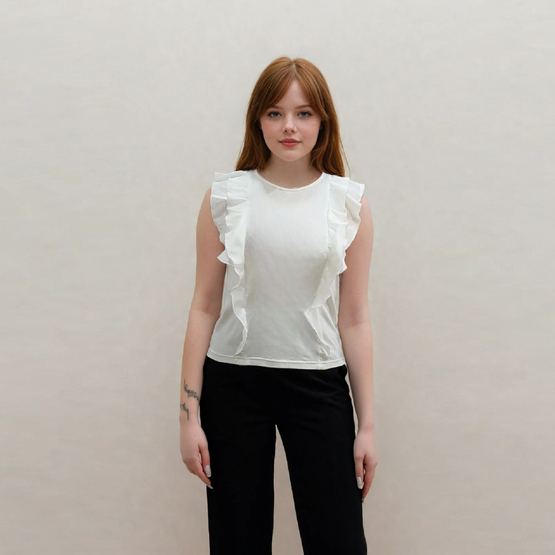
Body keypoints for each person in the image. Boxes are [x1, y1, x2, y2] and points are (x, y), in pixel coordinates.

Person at [179, 56, 376, 555]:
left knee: (338, 540)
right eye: (275, 113)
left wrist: (367, 426)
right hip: (233, 383)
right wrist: (188, 417)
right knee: (237, 540)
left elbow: (355, 318)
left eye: (304, 113)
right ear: (258, 120)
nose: (289, 126)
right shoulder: (226, 197)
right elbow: (204, 306)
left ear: (323, 121)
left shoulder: (347, 203)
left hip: (318, 382)